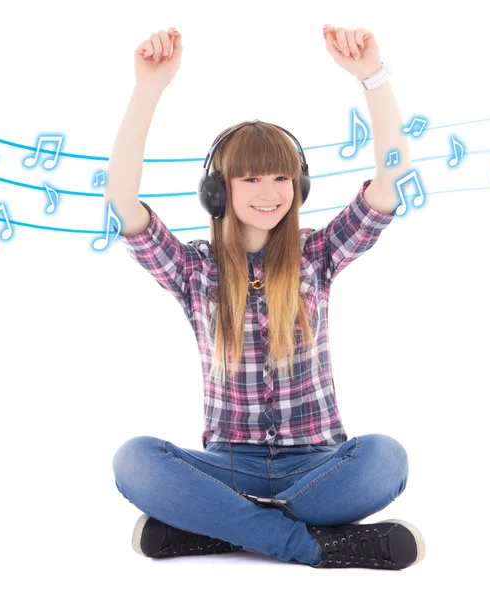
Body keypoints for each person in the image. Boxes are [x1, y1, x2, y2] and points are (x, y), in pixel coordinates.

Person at [109, 25, 426, 570]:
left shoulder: (318, 255)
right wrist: (148, 89)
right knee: (134, 459)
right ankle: (308, 545)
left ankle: (223, 527)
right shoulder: (195, 270)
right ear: (219, 191)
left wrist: (372, 78)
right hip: (227, 467)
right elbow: (120, 197)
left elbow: (391, 180)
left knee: (385, 458)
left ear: (298, 187)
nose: (269, 192)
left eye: (281, 176)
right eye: (251, 178)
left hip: (319, 469)